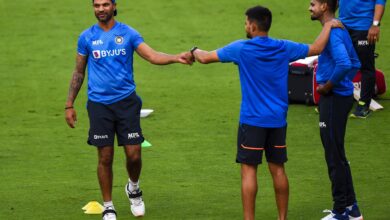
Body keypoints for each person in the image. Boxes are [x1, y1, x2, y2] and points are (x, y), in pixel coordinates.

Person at [190, 5, 341, 220]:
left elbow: (205, 57)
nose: (245, 26)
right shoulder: (283, 47)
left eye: (245, 23)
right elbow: (316, 48)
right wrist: (329, 25)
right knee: (278, 169)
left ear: (252, 25)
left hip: (252, 121)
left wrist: (193, 51)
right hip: (277, 120)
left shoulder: (241, 48)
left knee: (249, 170)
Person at [64, 0, 192, 219]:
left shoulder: (128, 33)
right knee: (105, 156)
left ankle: (133, 188)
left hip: (126, 103)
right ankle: (108, 206)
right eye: (96, 5)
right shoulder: (86, 37)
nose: (101, 9)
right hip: (99, 105)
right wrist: (69, 104)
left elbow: (151, 55)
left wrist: (176, 58)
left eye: (105, 4)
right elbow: (78, 72)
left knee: (134, 155)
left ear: (114, 6)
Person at [309, 0, 363, 219]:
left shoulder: (332, 32)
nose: (309, 7)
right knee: (338, 154)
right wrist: (343, 85)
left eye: (313, 3)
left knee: (333, 155)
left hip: (332, 100)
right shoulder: (336, 27)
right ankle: (352, 209)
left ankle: (340, 211)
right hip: (340, 98)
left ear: (324, 6)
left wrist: (329, 86)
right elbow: (355, 63)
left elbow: (345, 64)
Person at [339, 0, 387, 118]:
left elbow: (380, 2)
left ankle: (363, 105)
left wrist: (375, 25)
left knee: (365, 66)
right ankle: (336, 101)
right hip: (342, 26)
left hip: (363, 28)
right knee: (339, 62)